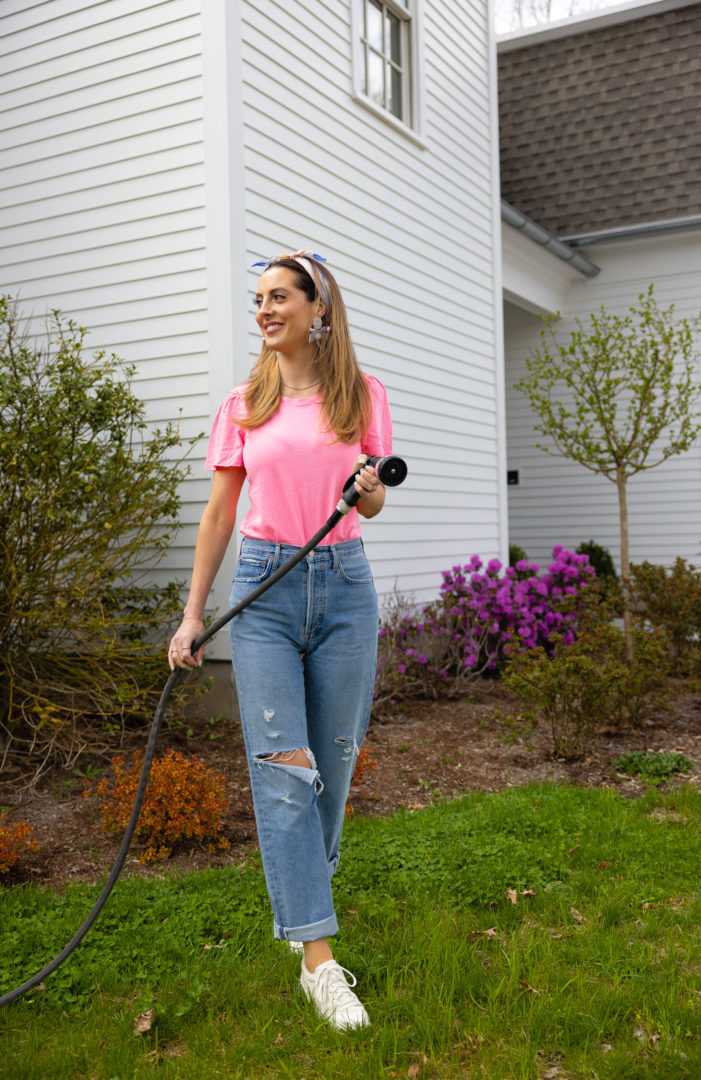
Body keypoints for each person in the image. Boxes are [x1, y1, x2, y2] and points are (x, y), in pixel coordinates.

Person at [168, 250, 393, 1030]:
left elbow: (372, 507)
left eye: (278, 298)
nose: (264, 311)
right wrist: (194, 614)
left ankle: (303, 902)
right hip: (263, 594)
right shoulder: (242, 403)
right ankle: (319, 960)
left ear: (317, 308)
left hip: (344, 590)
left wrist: (367, 492)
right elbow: (219, 516)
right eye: (258, 299)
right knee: (283, 770)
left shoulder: (361, 396)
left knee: (331, 760)